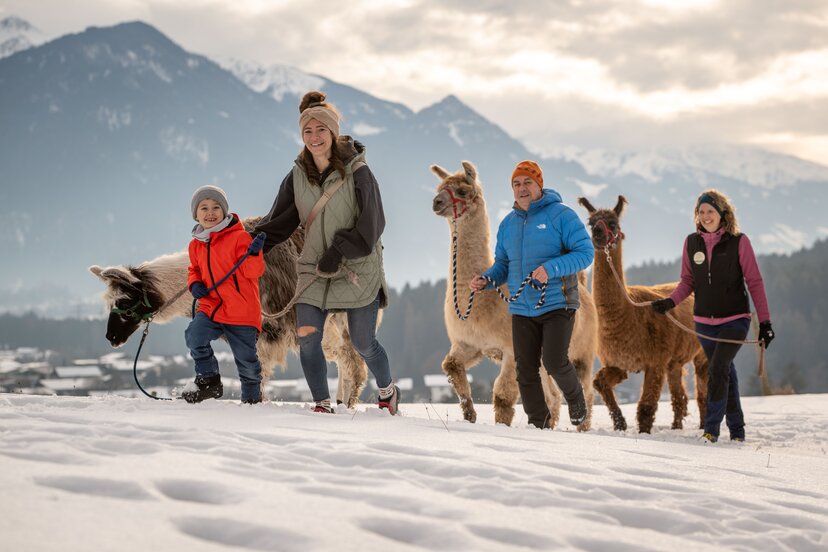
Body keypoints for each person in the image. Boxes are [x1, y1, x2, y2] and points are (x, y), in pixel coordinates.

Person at [254, 90, 399, 415]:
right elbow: (279, 221)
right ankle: (321, 403)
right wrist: (251, 244)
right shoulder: (297, 176)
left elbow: (373, 223)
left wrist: (340, 250)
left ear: (333, 132)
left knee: (362, 342)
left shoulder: (359, 172)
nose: (314, 137)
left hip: (356, 267)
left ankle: (388, 391)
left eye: (321, 129)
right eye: (307, 131)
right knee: (307, 336)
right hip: (315, 267)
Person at [470, 160, 594, 429]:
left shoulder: (562, 216)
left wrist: (551, 269)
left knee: (554, 362)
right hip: (522, 308)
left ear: (539, 184)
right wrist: (488, 280)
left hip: (558, 302)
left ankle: (575, 397)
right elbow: (504, 265)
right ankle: (539, 423)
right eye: (516, 184)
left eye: (527, 182)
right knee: (525, 369)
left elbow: (585, 253)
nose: (522, 188)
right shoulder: (508, 225)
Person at [651, 189, 774, 443]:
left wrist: (765, 323)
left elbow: (754, 282)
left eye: (711, 211)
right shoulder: (691, 243)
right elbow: (688, 281)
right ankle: (737, 431)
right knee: (725, 371)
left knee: (717, 369)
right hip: (704, 324)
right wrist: (670, 302)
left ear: (722, 213)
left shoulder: (739, 242)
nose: (706, 216)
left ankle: (711, 429)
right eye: (701, 212)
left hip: (735, 320)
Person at [182, 185, 267, 404]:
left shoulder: (240, 238)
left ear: (224, 211)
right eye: (204, 208)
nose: (210, 213)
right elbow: (194, 269)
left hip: (241, 311)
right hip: (211, 307)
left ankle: (251, 402)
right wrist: (194, 283)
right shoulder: (196, 244)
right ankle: (209, 381)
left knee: (247, 363)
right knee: (194, 336)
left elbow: (254, 272)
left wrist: (254, 254)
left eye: (216, 207)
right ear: (196, 214)